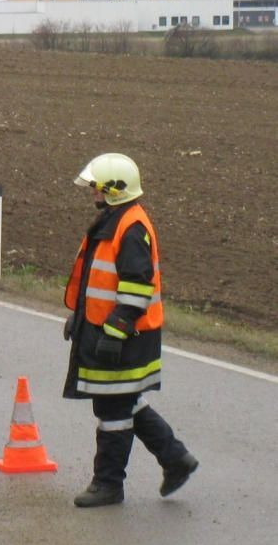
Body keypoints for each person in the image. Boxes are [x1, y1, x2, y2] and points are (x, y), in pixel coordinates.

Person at [62, 153, 198, 508]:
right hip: (111, 332)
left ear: (113, 189)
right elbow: (100, 281)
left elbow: (137, 286)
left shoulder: (130, 227)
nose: (91, 192)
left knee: (113, 413)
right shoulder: (115, 219)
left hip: (124, 337)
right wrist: (80, 317)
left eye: (95, 186)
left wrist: (115, 331)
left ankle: (108, 484)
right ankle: (175, 458)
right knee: (124, 401)